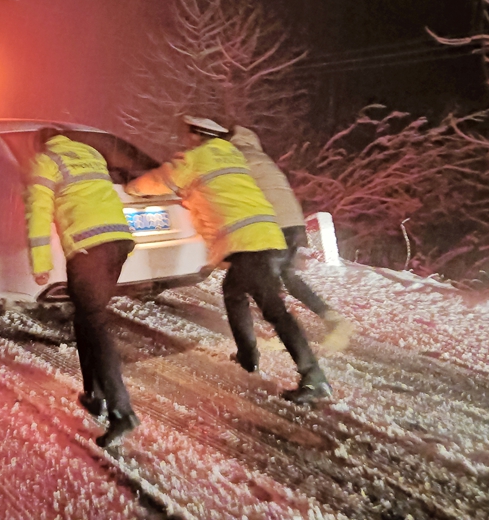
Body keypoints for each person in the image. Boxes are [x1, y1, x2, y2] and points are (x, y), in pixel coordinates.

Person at [125, 116, 332, 403]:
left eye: (189, 135)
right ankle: (249, 356)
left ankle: (313, 377)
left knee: (274, 310)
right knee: (234, 292)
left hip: (247, 243)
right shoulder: (232, 155)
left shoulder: (195, 158)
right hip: (266, 235)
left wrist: (131, 189)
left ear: (197, 136)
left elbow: (157, 181)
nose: (186, 140)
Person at [26, 127, 140, 447]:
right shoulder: (90, 154)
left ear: (41, 143)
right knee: (87, 317)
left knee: (95, 323)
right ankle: (94, 394)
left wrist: (40, 264)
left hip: (88, 248)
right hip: (117, 242)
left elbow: (37, 212)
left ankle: (122, 412)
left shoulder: (44, 161)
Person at [229, 125, 353, 352]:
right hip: (293, 223)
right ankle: (332, 318)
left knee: (260, 279)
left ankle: (284, 330)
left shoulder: (236, 157)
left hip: (271, 225)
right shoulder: (261, 158)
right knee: (286, 275)